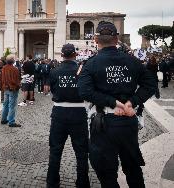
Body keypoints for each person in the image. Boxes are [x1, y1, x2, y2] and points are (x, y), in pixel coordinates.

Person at [78, 22, 156, 188]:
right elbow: (150, 84)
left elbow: (84, 92)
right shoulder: (133, 61)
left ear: (95, 39)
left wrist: (112, 103)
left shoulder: (90, 64)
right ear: (116, 39)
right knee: (133, 168)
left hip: (104, 122)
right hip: (127, 119)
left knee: (107, 173)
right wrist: (130, 102)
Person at [46, 44, 90, 188]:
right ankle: (83, 183)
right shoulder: (82, 71)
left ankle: (52, 183)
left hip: (59, 113)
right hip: (78, 113)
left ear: (62, 55)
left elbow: (51, 90)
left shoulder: (54, 71)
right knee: (81, 152)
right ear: (75, 55)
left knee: (55, 151)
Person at [0, 54, 21, 127]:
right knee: (12, 106)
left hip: (5, 88)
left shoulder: (3, 68)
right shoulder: (15, 69)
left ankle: (4, 119)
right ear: (13, 61)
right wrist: (18, 86)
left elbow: (0, 79)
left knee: (5, 105)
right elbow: (17, 80)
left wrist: (2, 87)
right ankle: (11, 121)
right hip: (13, 89)